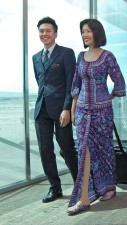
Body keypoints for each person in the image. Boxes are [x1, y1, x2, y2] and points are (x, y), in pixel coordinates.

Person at [67, 18, 126, 215]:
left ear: (97, 33)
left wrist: (108, 97)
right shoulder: (80, 56)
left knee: (104, 151)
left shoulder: (107, 56)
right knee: (83, 151)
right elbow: (76, 85)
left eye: (88, 31)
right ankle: (84, 198)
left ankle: (108, 187)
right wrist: (74, 109)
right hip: (83, 111)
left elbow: (119, 81)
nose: (85, 35)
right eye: (83, 31)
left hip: (102, 112)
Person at [32, 17, 78, 203]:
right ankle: (55, 188)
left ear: (55, 33)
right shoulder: (36, 57)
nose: (45, 34)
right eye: (41, 31)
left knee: (67, 148)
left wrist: (67, 108)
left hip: (61, 110)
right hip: (41, 110)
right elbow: (40, 82)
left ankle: (80, 185)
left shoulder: (66, 53)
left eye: (48, 30)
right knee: (45, 150)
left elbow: (71, 84)